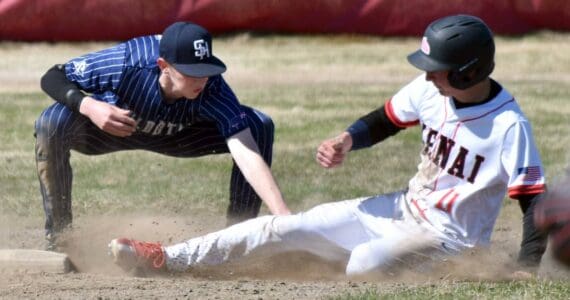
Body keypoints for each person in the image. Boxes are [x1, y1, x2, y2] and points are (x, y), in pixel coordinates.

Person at [108, 15, 547, 276]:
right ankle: (169, 257)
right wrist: (348, 139)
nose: (429, 74)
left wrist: (526, 270)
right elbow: (386, 120)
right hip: (400, 209)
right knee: (284, 227)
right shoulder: (431, 90)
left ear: (469, 72)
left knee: (364, 265)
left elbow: (534, 203)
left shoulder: (508, 125)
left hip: (449, 241)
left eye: (439, 68)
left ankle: (307, 259)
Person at [35, 21, 291, 250]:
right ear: (163, 66)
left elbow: (246, 151)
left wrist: (284, 216)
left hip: (180, 135)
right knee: (51, 122)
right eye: (191, 71)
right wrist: (90, 107)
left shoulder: (213, 86)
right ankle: (60, 239)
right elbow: (53, 76)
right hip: (116, 128)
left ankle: (238, 241)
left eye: (205, 70)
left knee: (258, 126)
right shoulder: (127, 61)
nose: (201, 79)